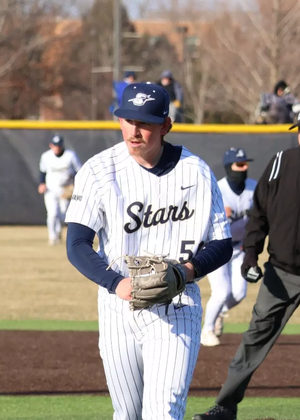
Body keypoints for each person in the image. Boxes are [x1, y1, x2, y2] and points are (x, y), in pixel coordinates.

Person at [65, 81, 233, 420]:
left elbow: (222, 243)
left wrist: (187, 271)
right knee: (127, 414)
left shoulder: (196, 171)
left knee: (163, 412)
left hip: (177, 305)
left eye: (145, 123)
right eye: (129, 120)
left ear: (165, 126)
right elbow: (77, 243)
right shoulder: (99, 171)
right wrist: (116, 284)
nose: (135, 130)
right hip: (118, 308)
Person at [193, 114, 300, 420]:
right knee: (254, 339)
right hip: (281, 273)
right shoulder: (281, 162)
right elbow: (260, 214)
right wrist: (251, 255)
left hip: (282, 270)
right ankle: (225, 407)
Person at [201, 148, 257, 347]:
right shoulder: (218, 189)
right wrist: (220, 216)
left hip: (240, 248)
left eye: (245, 164)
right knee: (222, 292)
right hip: (217, 246)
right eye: (239, 164)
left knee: (240, 294)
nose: (243, 168)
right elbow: (202, 222)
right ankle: (207, 330)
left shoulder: (253, 187)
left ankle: (218, 313)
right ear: (228, 167)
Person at [38, 134, 82, 245]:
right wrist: (42, 183)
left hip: (66, 189)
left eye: (59, 145)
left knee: (63, 214)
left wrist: (77, 186)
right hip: (51, 190)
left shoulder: (70, 155)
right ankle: (53, 237)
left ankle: (58, 232)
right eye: (54, 145)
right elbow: (42, 171)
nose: (57, 147)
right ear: (51, 145)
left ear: (62, 145)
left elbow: (79, 171)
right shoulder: (46, 156)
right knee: (52, 214)